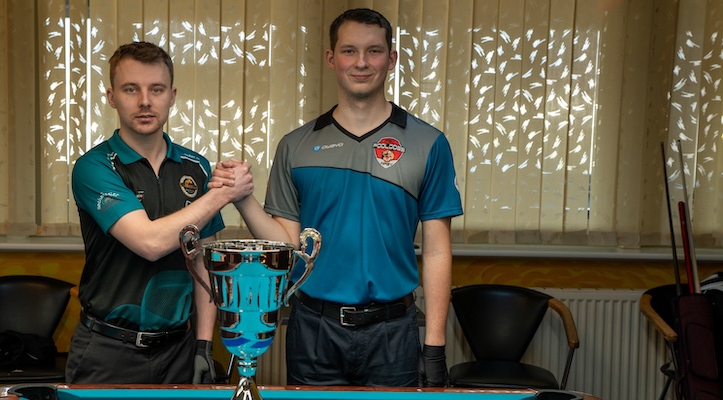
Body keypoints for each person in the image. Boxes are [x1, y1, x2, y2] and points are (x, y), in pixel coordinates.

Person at [212, 8, 463, 387]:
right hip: (314, 330)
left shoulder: (429, 143)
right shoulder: (295, 146)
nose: (361, 62)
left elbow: (438, 250)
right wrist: (243, 198)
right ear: (331, 59)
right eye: (349, 51)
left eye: (374, 51)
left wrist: (435, 346)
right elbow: (290, 246)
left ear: (392, 59)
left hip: (393, 333)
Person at [67, 42, 253, 384]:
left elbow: (204, 262)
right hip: (108, 347)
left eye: (156, 89)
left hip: (179, 349)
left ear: (172, 95)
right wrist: (223, 193)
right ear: (111, 97)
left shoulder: (195, 167)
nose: (144, 101)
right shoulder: (94, 167)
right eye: (130, 89)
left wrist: (203, 345)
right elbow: (149, 243)